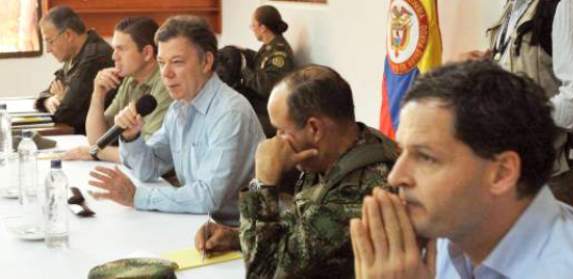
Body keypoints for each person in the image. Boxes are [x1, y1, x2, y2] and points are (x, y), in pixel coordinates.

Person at [351, 61, 573, 279]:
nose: (395, 176)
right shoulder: (449, 233)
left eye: (425, 157)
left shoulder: (571, 270)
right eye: (402, 152)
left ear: (502, 173)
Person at [195, 65, 398, 278]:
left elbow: (264, 273)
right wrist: (236, 238)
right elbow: (301, 233)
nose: (275, 141)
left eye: (282, 130)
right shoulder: (332, 153)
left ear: (314, 129)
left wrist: (263, 183)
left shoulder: (360, 193)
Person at [86, 16, 265, 226]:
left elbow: (208, 198)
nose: (166, 73)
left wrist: (137, 197)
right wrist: (132, 137)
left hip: (236, 236)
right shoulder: (179, 107)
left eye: (177, 62)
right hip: (197, 224)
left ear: (206, 62)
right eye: (161, 63)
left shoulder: (231, 112)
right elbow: (148, 169)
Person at [462, 0, 573, 205]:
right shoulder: (513, 8)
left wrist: (522, 113)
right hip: (512, 165)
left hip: (551, 173)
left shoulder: (566, 6)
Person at [62, 16, 173, 163]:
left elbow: (146, 154)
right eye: (114, 49)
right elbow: (98, 139)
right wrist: (98, 93)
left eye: (121, 49)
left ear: (146, 53)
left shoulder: (166, 84)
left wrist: (95, 152)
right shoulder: (130, 80)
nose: (114, 56)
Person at [35, 5, 113, 134]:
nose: (48, 49)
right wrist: (49, 100)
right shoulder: (73, 57)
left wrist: (60, 101)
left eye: (50, 41)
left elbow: (66, 114)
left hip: (94, 138)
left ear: (68, 35)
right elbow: (46, 93)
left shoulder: (94, 58)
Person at [242, 5, 295, 137]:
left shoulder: (279, 53)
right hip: (261, 106)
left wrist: (243, 69)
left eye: (253, 25)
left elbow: (267, 87)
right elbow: (260, 61)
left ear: (263, 28)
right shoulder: (270, 46)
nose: (252, 29)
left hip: (269, 112)